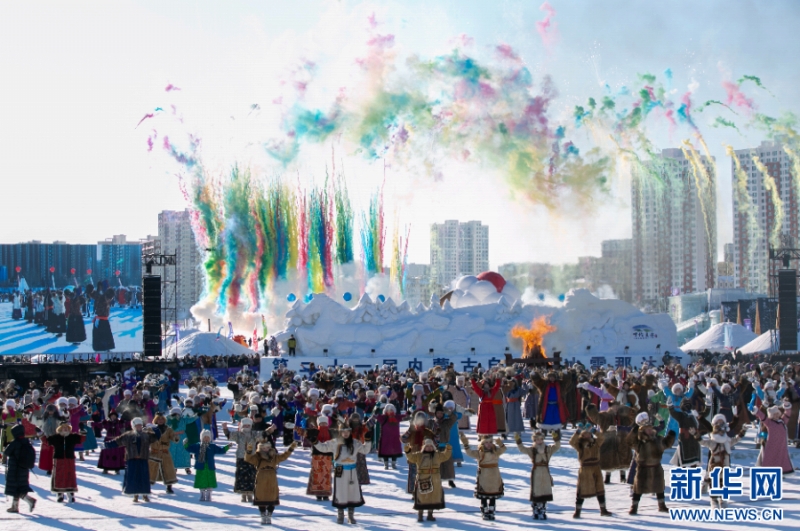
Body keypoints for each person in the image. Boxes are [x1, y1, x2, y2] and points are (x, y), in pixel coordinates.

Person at [313, 422, 371, 524]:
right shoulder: (335, 442)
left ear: (350, 432)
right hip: (340, 469)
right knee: (340, 492)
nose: (345, 434)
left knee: (352, 492)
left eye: (347, 431)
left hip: (352, 470)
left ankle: (351, 516)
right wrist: (315, 441)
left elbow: (365, 450)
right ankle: (340, 515)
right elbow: (323, 447)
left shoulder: (355, 443)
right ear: (340, 432)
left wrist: (368, 440)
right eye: (343, 432)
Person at [627, 412, 676, 514]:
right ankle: (634, 507)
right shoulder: (639, 441)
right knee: (638, 488)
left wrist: (671, 436)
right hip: (643, 468)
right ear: (643, 430)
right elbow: (630, 443)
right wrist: (633, 431)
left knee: (659, 487)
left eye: (650, 428)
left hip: (656, 467)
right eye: (647, 429)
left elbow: (666, 444)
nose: (649, 430)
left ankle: (662, 505)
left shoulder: (657, 439)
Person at [245, 439, 298, 525]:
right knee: (261, 496)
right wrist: (249, 450)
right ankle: (263, 515)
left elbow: (284, 456)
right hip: (261, 476)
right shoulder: (257, 456)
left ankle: (269, 515)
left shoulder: (274, 456)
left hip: (272, 477)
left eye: (268, 447)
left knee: (272, 496)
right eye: (264, 448)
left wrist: (291, 448)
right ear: (261, 448)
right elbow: (248, 459)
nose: (266, 449)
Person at [459, 433, 506, 521]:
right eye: (486, 442)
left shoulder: (496, 451)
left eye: (490, 442)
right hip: (484, 476)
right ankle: (484, 511)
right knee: (484, 495)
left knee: (493, 495)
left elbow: (503, 449)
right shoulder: (479, 453)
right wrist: (465, 444)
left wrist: (500, 443)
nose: (488, 444)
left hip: (494, 475)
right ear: (483, 443)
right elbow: (469, 453)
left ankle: (491, 511)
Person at [515, 429, 560, 520]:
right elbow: (522, 449)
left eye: (541, 439)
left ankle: (543, 510)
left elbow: (557, 447)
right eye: (537, 439)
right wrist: (518, 441)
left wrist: (556, 438)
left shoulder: (548, 449)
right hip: (536, 472)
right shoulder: (532, 450)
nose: (539, 441)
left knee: (545, 490)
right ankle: (535, 510)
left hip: (545, 472)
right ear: (534, 440)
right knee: (537, 491)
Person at [569, 424, 612, 518]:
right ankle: (578, 511)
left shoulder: (596, 442)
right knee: (582, 489)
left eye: (589, 434)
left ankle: (603, 509)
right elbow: (572, 442)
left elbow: (602, 438)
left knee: (600, 489)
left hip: (596, 467)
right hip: (585, 469)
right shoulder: (579, 444)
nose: (587, 435)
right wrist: (577, 432)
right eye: (585, 434)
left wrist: (595, 431)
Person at [114, 417, 161, 502]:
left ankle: (145, 495)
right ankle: (135, 495)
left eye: (140, 425)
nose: (138, 427)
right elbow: (118, 441)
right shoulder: (128, 435)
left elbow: (157, 437)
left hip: (143, 459)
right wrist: (108, 445)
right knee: (133, 478)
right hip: (132, 459)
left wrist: (155, 428)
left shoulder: (147, 434)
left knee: (144, 478)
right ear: (133, 426)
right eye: (137, 425)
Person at [405, 438, 452, 522]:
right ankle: (420, 515)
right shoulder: (419, 455)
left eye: (431, 446)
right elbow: (411, 458)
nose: (429, 448)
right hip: (423, 478)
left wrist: (448, 450)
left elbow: (445, 456)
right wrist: (408, 452)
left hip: (435, 479)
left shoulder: (437, 455)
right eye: (427, 446)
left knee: (433, 497)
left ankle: (430, 514)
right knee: (422, 496)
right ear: (424, 447)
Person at [186, 429, 230, 502]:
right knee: (202, 480)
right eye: (204, 437)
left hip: (209, 466)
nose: (206, 439)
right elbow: (189, 448)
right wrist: (186, 444)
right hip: (201, 466)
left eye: (208, 438)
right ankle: (202, 493)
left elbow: (220, 450)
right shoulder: (198, 446)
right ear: (201, 438)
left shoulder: (212, 446)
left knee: (209, 480)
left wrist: (226, 447)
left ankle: (209, 494)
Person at [223, 418, 260, 502]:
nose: (246, 427)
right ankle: (243, 494)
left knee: (251, 476)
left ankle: (250, 494)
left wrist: (270, 430)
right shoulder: (239, 435)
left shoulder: (253, 434)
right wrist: (225, 428)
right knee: (242, 477)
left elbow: (263, 434)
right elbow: (229, 435)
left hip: (252, 458)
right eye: (245, 425)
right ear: (242, 426)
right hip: (241, 458)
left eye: (248, 425)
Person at [47, 422, 84, 503]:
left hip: (69, 459)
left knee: (70, 475)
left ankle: (71, 494)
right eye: (63, 427)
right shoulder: (55, 437)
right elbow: (46, 441)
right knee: (59, 476)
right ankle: (59, 494)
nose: (65, 429)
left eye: (67, 427)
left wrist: (82, 431)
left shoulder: (72, 437)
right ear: (60, 429)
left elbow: (82, 439)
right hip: (59, 459)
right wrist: (41, 434)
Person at [4, 424, 37, 513]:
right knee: (19, 488)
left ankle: (29, 500)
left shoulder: (15, 443)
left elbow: (6, 452)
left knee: (16, 488)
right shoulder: (26, 442)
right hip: (24, 469)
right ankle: (14, 507)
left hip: (15, 469)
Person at [149, 414, 180, 494]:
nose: (160, 421)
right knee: (151, 470)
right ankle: (147, 486)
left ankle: (169, 487)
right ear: (156, 420)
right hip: (154, 451)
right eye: (159, 419)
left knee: (168, 469)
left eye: (162, 419)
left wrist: (175, 438)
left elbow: (173, 436)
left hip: (164, 452)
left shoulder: (168, 429)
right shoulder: (151, 429)